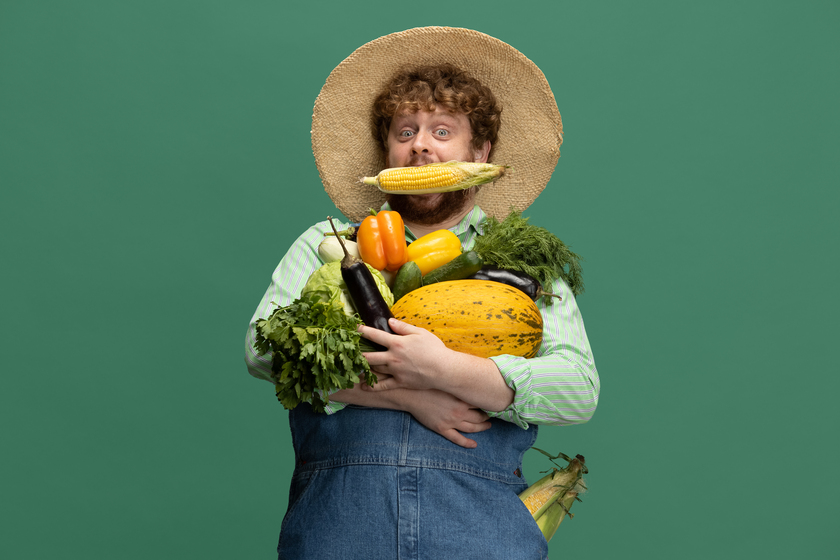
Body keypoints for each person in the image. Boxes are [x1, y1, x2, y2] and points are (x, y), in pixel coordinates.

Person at [244, 27, 599, 560]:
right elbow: (263, 350)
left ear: (480, 150)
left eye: (441, 130)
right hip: (340, 526)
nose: (421, 145)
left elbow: (577, 389)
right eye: (404, 131)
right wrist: (410, 392)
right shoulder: (328, 245)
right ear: (386, 151)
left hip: (480, 528)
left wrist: (446, 371)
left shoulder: (526, 261)